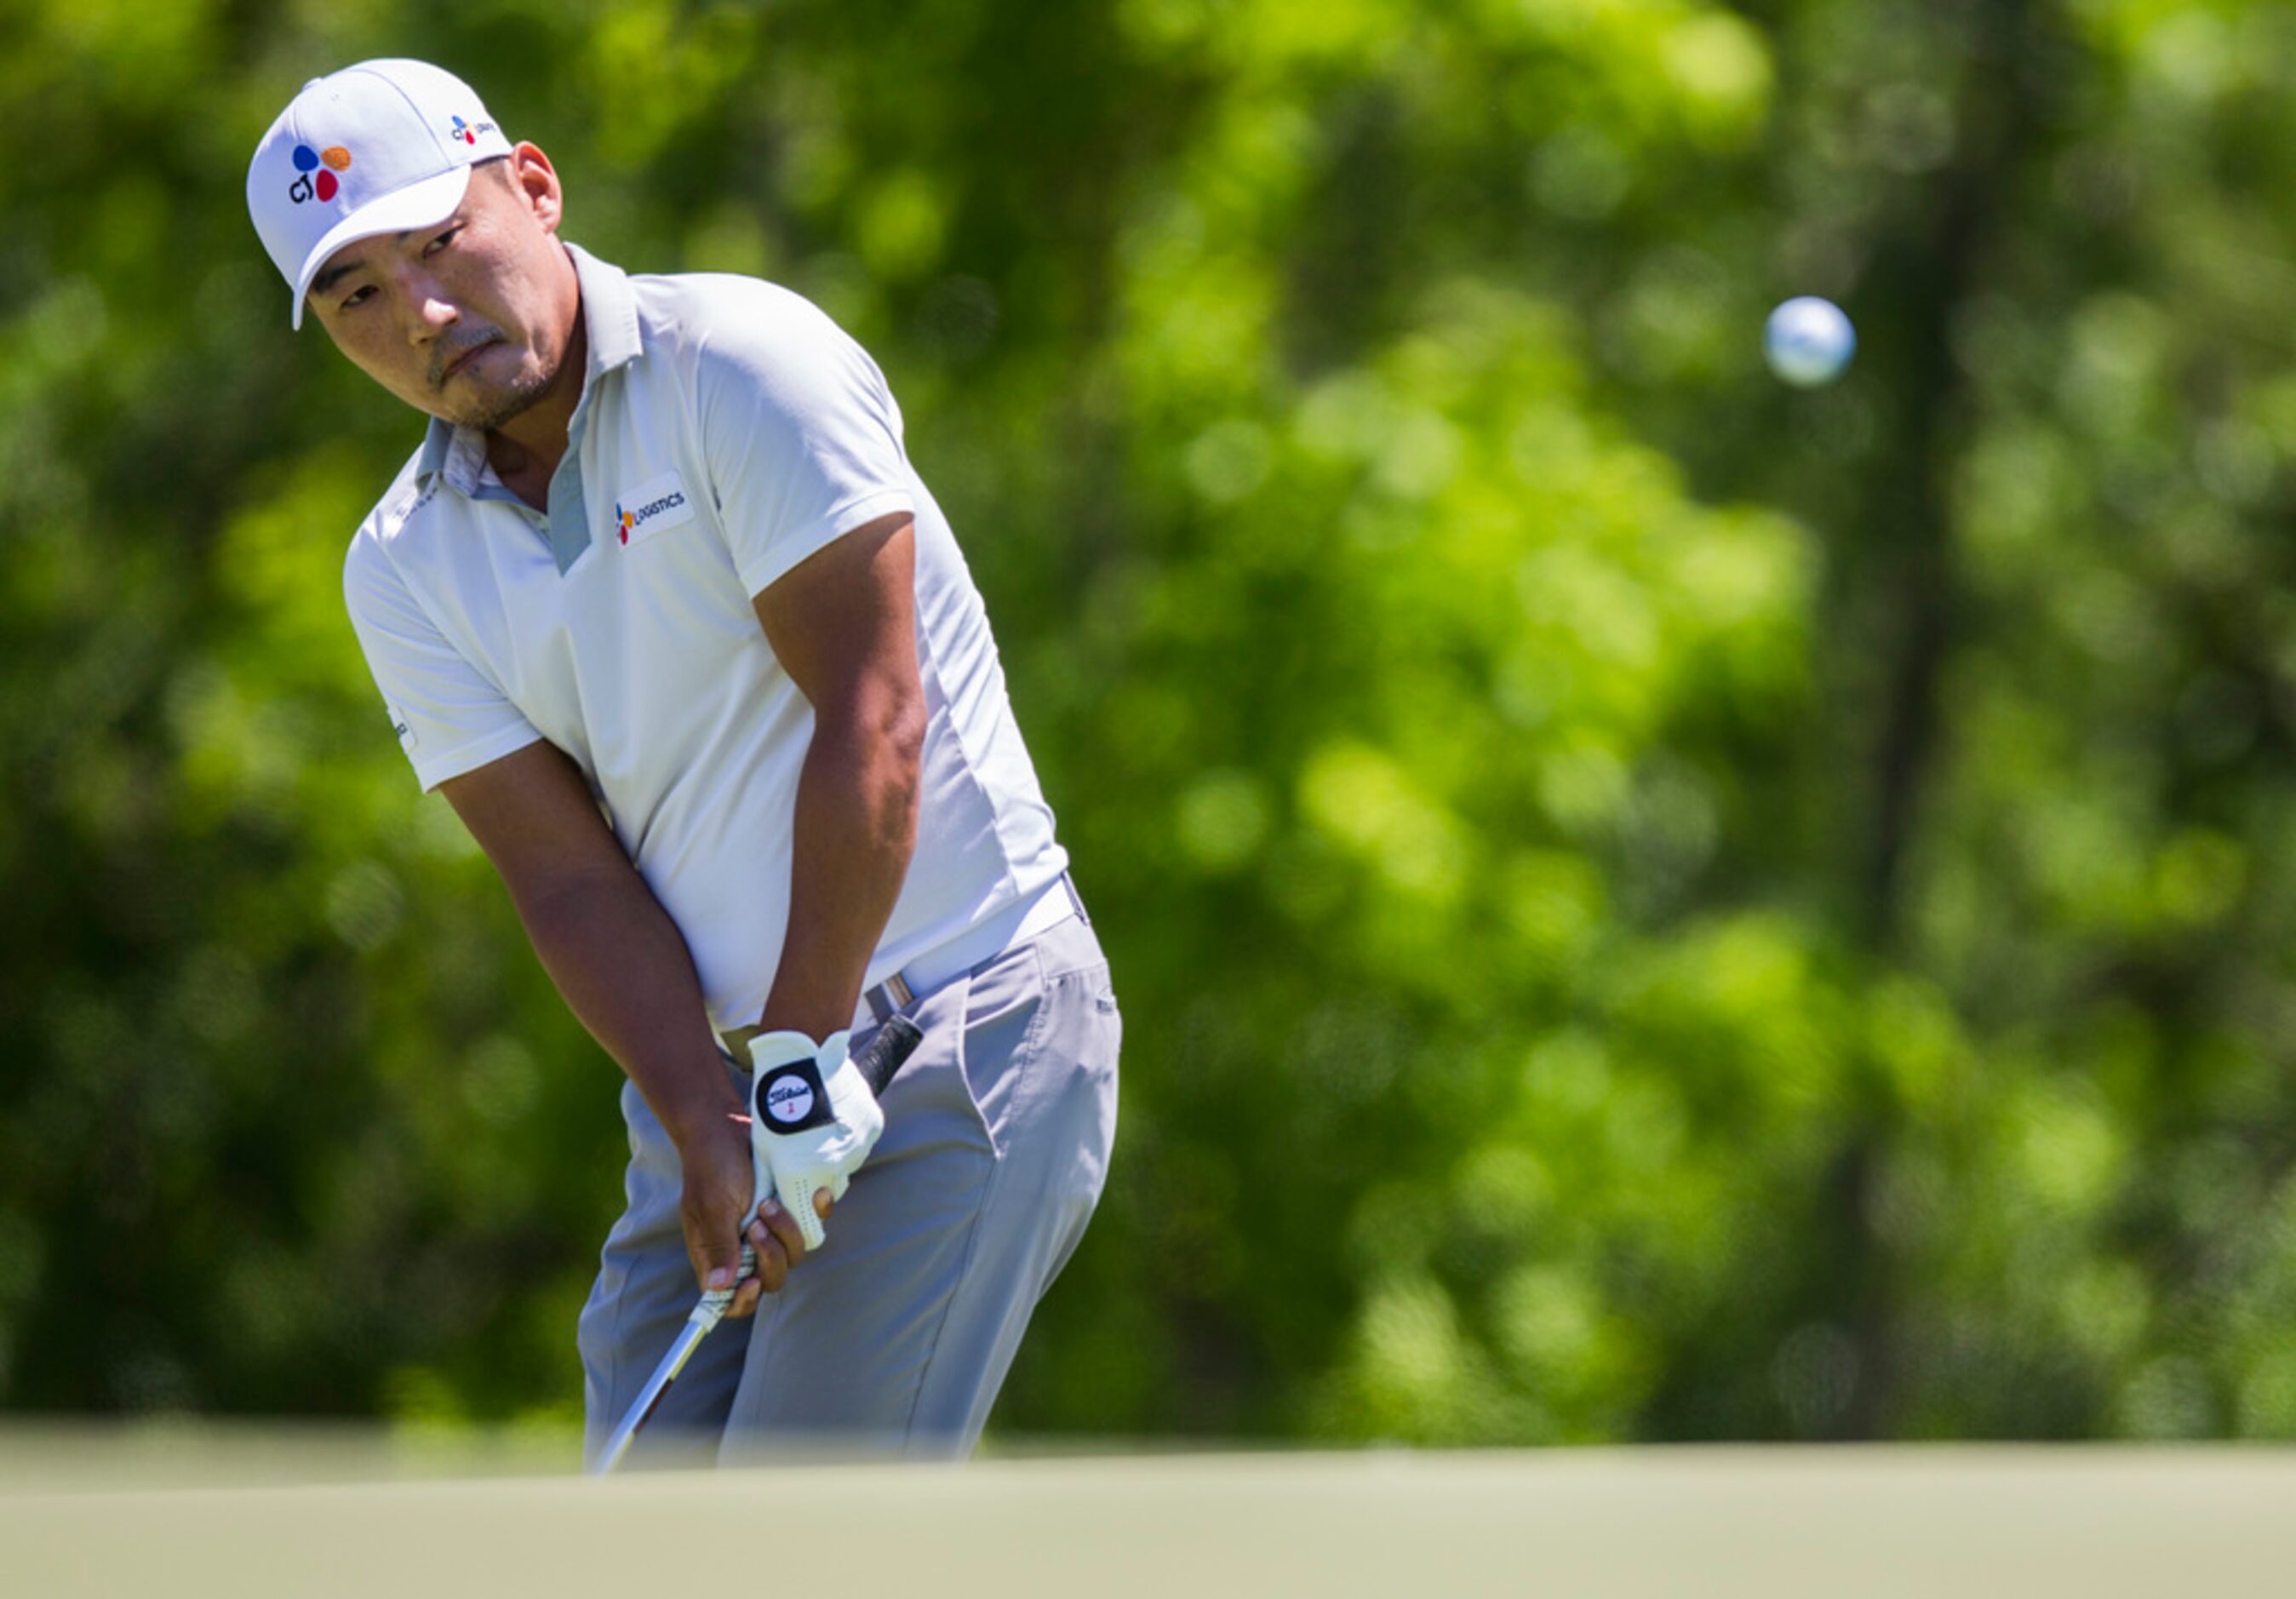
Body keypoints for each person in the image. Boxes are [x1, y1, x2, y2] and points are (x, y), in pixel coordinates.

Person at [245, 59, 1119, 1465]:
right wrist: (709, 1116)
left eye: (437, 241)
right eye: (355, 292)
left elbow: (871, 715)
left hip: (966, 1020)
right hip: (720, 1088)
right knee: (640, 1528)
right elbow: (566, 879)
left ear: (531, 185)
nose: (418, 310)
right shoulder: (402, 565)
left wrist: (793, 1061)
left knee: (791, 1543)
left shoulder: (739, 362)